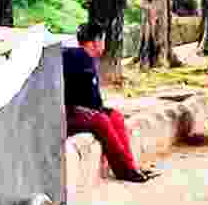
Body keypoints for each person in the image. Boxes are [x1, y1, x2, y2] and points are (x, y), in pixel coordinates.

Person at [63, 22, 157, 184]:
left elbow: (91, 99)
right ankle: (125, 170)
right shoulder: (78, 57)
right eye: (103, 40)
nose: (104, 45)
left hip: (81, 109)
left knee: (116, 116)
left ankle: (130, 166)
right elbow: (84, 98)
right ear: (96, 42)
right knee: (102, 120)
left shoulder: (84, 58)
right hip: (68, 112)